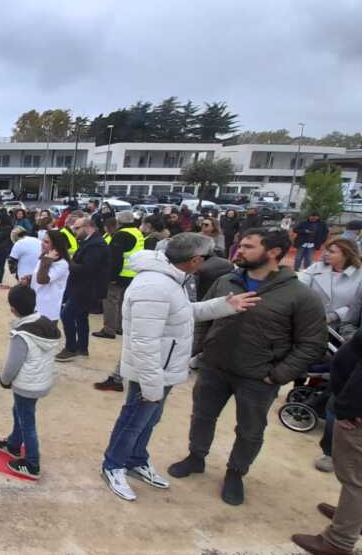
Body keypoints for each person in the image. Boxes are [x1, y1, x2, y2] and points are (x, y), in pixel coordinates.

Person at [168, 228, 327, 506]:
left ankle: (235, 473)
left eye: (248, 246)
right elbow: (203, 319)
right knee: (202, 416)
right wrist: (194, 352)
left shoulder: (300, 295)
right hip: (214, 367)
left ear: (273, 252)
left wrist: (278, 375)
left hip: (258, 378)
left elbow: (312, 343)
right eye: (240, 245)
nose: (239, 250)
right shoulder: (226, 280)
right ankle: (196, 457)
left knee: (250, 430)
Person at [100, 234, 258, 502]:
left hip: (163, 368)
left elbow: (182, 313)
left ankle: (136, 459)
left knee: (148, 420)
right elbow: (144, 341)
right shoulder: (154, 286)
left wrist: (224, 305)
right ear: (195, 260)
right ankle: (113, 465)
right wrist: (152, 385)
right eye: (206, 258)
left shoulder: (172, 279)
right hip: (152, 371)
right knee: (133, 421)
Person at [291, 330, 362, 555]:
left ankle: (339, 542)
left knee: (355, 480)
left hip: (356, 413)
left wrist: (349, 408)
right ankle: (351, 517)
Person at [0, 284, 62, 480]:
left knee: (27, 422)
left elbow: (13, 363)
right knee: (19, 411)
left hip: (26, 384)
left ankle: (32, 464)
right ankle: (14, 444)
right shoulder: (45, 323)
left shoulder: (22, 335)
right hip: (40, 381)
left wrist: (4, 380)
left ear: (13, 308)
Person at [56, 218, 110, 362]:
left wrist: (68, 262)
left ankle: (71, 348)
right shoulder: (89, 241)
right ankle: (82, 348)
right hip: (82, 287)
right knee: (80, 317)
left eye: (77, 228)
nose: (74, 231)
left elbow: (87, 268)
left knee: (67, 315)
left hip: (86, 288)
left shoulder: (96, 245)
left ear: (87, 227)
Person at [94, 211, 144, 340]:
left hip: (120, 274)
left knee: (110, 301)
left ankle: (109, 329)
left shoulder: (120, 235)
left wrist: (112, 277)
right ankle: (120, 327)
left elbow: (115, 259)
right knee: (123, 302)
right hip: (133, 273)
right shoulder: (137, 232)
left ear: (119, 221)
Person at [298, 238, 362, 338]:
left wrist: (332, 316)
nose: (325, 254)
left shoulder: (359, 275)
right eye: (326, 250)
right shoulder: (317, 267)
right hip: (307, 323)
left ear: (346, 255)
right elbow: (299, 287)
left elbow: (357, 306)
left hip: (339, 331)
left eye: (331, 252)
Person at [29, 229, 70, 321]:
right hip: (36, 305)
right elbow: (37, 276)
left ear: (56, 245)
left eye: (46, 242)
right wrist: (29, 278)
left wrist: (46, 260)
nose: (42, 244)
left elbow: (42, 279)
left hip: (47, 310)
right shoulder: (45, 257)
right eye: (42, 240)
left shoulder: (62, 264)